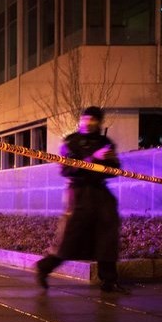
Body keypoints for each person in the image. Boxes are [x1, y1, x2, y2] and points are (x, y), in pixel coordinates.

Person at [35, 106, 127, 293]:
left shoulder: (105, 142)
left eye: (93, 119)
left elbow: (114, 170)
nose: (88, 122)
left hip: (100, 192)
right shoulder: (71, 142)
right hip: (78, 193)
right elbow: (66, 169)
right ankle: (45, 267)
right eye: (85, 118)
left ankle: (109, 280)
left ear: (99, 122)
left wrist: (111, 161)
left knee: (107, 234)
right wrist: (93, 158)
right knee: (72, 235)